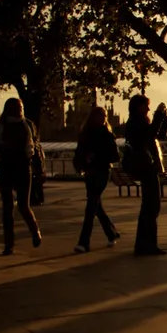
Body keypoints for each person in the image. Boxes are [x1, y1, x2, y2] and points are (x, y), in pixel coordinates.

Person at [0, 98, 42, 255]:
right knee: (7, 208)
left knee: (23, 206)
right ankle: (9, 244)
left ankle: (35, 231)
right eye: (16, 107)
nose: (19, 110)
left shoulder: (28, 125)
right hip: (6, 167)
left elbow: (35, 148)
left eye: (20, 107)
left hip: (23, 167)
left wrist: (40, 169)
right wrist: (2, 148)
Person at [123, 95, 167, 256]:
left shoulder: (141, 122)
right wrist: (158, 116)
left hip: (148, 166)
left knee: (151, 206)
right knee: (151, 205)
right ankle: (146, 245)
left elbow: (159, 135)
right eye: (146, 106)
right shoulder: (135, 123)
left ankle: (146, 243)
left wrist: (163, 118)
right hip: (145, 166)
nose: (148, 109)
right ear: (138, 107)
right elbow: (150, 135)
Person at [73, 106, 121, 253]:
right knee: (96, 207)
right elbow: (79, 153)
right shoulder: (85, 135)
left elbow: (115, 157)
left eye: (104, 116)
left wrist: (97, 156)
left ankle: (84, 242)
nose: (103, 118)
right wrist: (82, 162)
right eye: (100, 115)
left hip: (101, 172)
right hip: (90, 172)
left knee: (91, 207)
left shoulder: (107, 135)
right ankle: (111, 233)